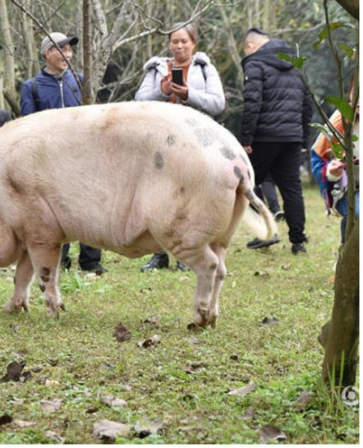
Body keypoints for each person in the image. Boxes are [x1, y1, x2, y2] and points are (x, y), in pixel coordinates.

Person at [134, 22, 225, 271]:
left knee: (192, 199)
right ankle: (159, 254)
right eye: (174, 41)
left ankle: (187, 254)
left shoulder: (205, 68)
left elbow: (218, 104)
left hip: (195, 141)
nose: (179, 45)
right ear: (169, 44)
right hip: (162, 143)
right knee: (161, 199)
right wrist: (161, 90)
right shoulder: (156, 68)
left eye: (184, 41)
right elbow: (139, 100)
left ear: (193, 43)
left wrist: (188, 94)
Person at [20, 32, 105, 275]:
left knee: (88, 205)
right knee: (57, 209)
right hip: (51, 160)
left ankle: (91, 260)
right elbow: (28, 125)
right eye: (62, 49)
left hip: (83, 155)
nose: (68, 54)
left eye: (70, 49)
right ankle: (61, 258)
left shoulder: (80, 81)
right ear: (48, 53)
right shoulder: (32, 87)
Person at [240, 27, 312, 254]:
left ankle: (267, 232)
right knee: (292, 189)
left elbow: (252, 103)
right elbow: (307, 104)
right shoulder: (296, 65)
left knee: (247, 184)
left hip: (264, 137)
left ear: (250, 46)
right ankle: (298, 242)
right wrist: (303, 138)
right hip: (291, 137)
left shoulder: (255, 63)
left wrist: (246, 138)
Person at [311, 86, 359, 244]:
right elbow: (319, 162)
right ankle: (346, 257)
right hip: (350, 190)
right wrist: (333, 173)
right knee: (358, 214)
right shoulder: (340, 122)